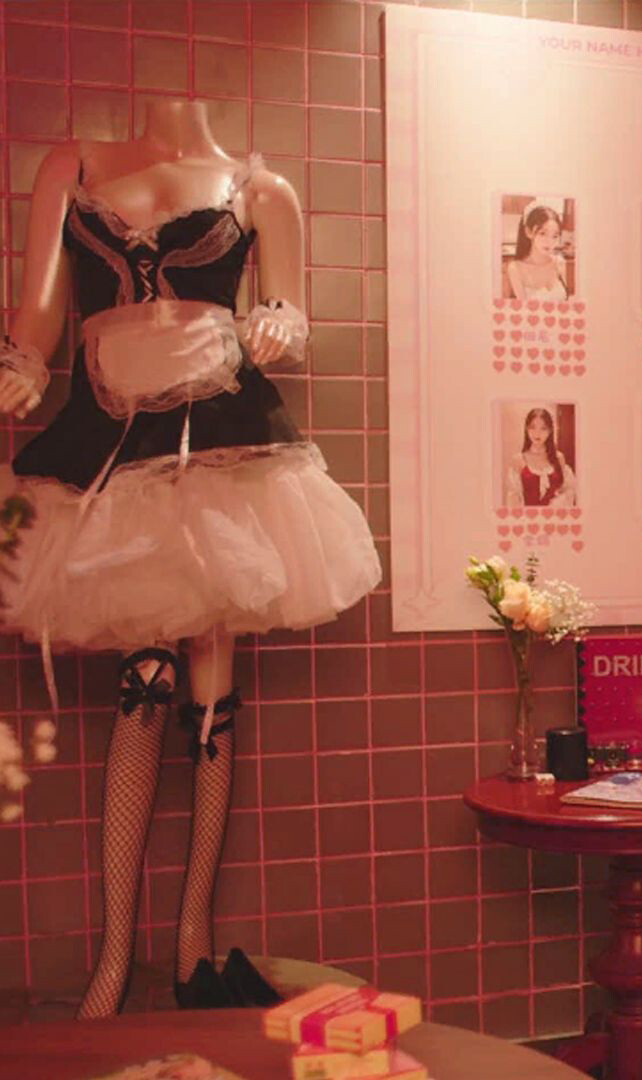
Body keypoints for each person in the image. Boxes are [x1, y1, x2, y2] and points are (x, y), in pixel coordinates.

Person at [0, 103, 380, 1017]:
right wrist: (22, 363)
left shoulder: (259, 188)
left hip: (221, 440)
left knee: (212, 684)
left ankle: (191, 946)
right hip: (110, 438)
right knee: (146, 681)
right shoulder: (72, 165)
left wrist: (279, 323)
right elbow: (40, 311)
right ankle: (112, 962)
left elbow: (285, 310)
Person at [505, 407, 576, 507]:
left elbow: (568, 491)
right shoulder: (518, 460)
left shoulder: (558, 458)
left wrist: (557, 503)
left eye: (543, 428)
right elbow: (513, 500)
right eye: (532, 427)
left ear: (550, 430)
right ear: (526, 429)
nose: (537, 433)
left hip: (555, 515)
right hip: (527, 516)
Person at [503, 202, 570, 301]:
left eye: (555, 236)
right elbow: (523, 308)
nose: (549, 241)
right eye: (543, 233)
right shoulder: (515, 268)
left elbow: (566, 301)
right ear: (528, 232)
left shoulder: (560, 262)